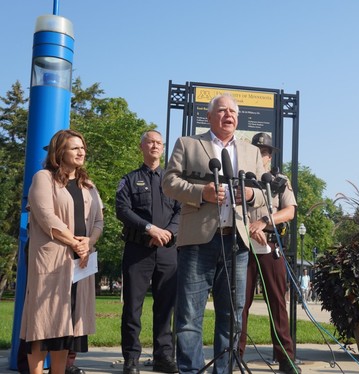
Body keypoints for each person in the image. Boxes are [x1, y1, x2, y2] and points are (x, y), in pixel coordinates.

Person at [162, 93, 266, 374]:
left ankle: (224, 370)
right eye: (221, 110)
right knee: (188, 317)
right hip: (198, 242)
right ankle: (191, 370)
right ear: (209, 117)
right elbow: (169, 182)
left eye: (233, 111)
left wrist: (250, 194)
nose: (228, 115)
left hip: (237, 243)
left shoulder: (251, 152)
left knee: (232, 317)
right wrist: (201, 193)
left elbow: (263, 194)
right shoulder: (189, 144)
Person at [20, 129, 104, 374]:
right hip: (52, 259)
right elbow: (46, 215)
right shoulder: (43, 178)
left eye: (83, 147)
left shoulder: (88, 184)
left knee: (67, 324)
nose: (81, 152)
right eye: (74, 147)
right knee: (43, 322)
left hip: (80, 261)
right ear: (59, 152)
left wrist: (89, 241)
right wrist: (73, 241)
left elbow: (98, 220)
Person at [116, 130, 181, 374]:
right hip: (137, 250)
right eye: (150, 142)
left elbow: (181, 210)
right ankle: (131, 358)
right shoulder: (130, 179)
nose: (155, 146)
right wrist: (150, 229)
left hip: (167, 251)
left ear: (163, 149)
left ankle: (163, 357)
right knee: (133, 307)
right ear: (141, 146)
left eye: (159, 143)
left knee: (166, 307)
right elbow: (122, 210)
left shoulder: (171, 181)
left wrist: (167, 233)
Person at [239, 133, 300, 374]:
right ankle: (236, 353)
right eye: (258, 150)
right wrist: (250, 229)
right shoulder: (242, 178)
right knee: (239, 304)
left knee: (277, 302)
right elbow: (232, 209)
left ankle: (285, 357)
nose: (262, 155)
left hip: (271, 245)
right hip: (244, 244)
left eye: (265, 152)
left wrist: (264, 222)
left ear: (270, 155)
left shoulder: (280, 180)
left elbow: (289, 212)